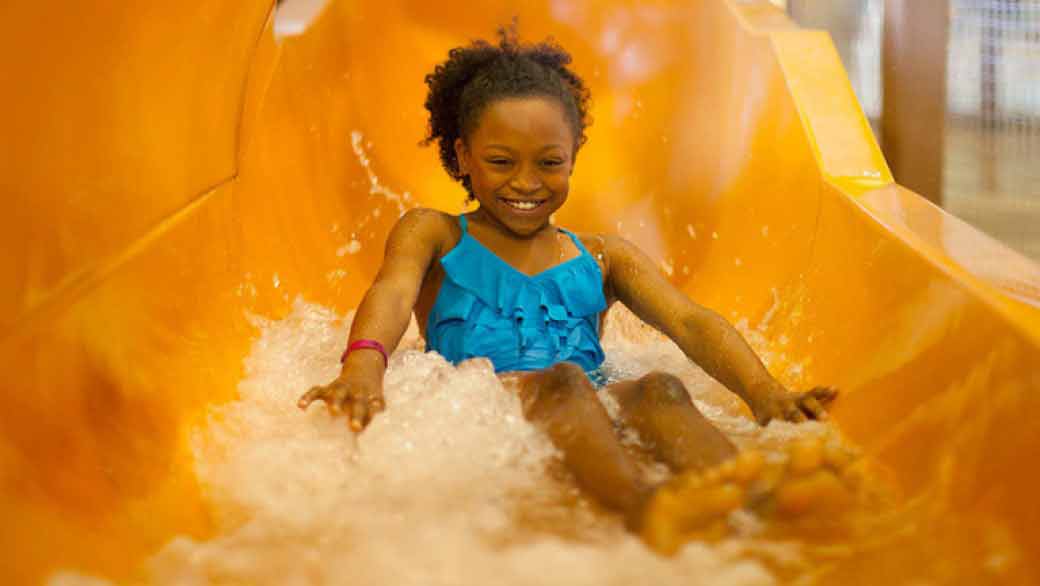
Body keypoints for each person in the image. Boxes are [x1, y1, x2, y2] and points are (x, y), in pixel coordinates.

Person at [299, 27, 846, 554]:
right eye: (500, 162)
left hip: (584, 402)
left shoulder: (605, 257)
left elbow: (689, 322)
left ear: (574, 155)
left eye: (549, 162)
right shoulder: (435, 233)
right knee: (563, 381)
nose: (527, 182)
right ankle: (644, 507)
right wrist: (361, 370)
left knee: (659, 388)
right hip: (491, 405)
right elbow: (392, 294)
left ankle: (748, 495)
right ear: (464, 156)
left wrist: (764, 390)